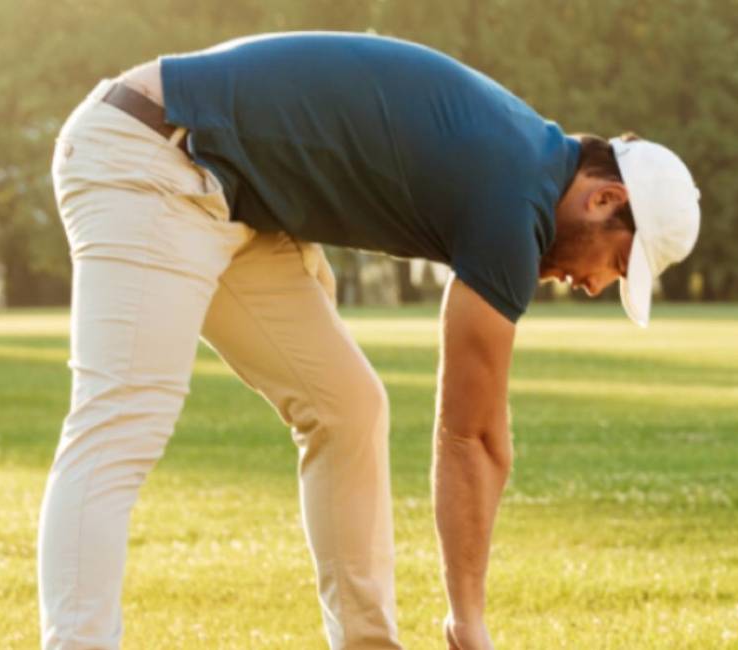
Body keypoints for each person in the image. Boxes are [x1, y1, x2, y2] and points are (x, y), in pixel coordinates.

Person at [36, 31, 701, 650]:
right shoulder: (516, 201)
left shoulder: (526, 165)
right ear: (605, 200)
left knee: (349, 407)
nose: (590, 286)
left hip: (233, 193)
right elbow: (474, 437)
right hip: (153, 155)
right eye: (615, 266)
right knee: (122, 420)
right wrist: (467, 620)